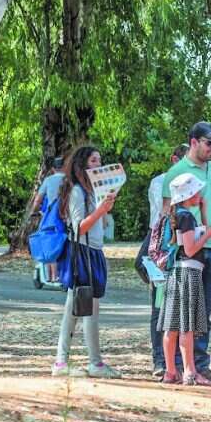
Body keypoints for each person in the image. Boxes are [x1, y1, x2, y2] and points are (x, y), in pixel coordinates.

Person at [161, 122, 211, 385]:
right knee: (182, 317)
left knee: (202, 312)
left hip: (208, 251)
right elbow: (167, 215)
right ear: (194, 142)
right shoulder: (176, 173)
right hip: (187, 252)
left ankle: (199, 364)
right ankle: (179, 366)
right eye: (209, 143)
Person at [52, 146, 122, 379]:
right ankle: (92, 363)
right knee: (84, 307)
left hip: (92, 252)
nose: (99, 165)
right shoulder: (77, 192)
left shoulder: (90, 191)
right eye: (94, 160)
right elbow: (79, 226)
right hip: (82, 253)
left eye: (100, 160)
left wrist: (103, 209)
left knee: (76, 308)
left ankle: (66, 362)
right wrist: (101, 210)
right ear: (82, 165)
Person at [147, 144, 189, 378]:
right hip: (161, 245)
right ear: (175, 159)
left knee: (181, 309)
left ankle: (180, 361)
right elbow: (165, 211)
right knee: (159, 306)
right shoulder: (160, 182)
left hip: (181, 243)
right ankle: (161, 360)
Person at [33, 157, 65, 282]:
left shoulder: (48, 180)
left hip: (52, 218)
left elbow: (38, 200)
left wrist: (34, 211)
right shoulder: (69, 180)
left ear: (53, 169)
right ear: (64, 167)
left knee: (49, 244)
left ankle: (51, 277)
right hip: (67, 217)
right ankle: (60, 275)